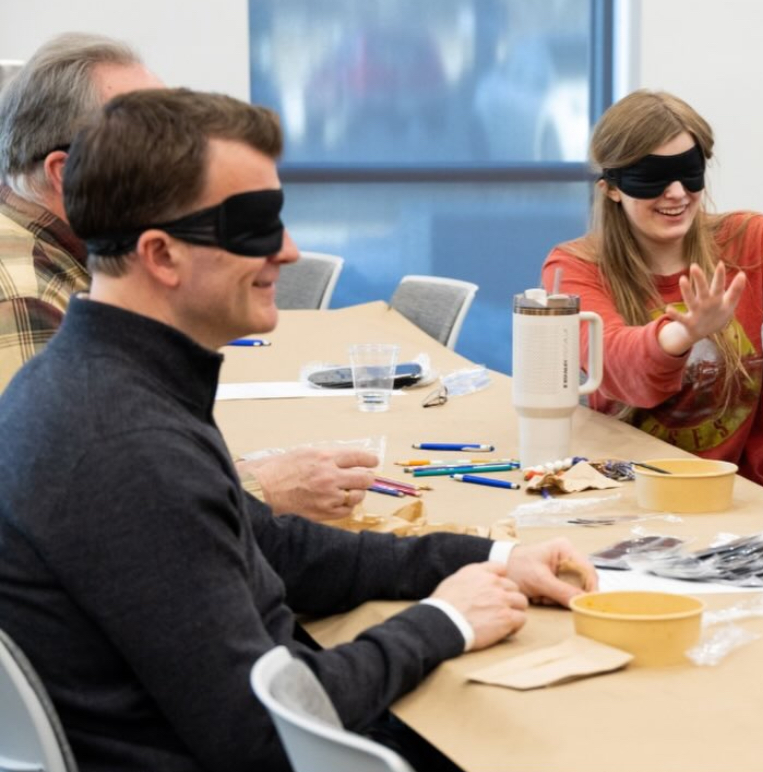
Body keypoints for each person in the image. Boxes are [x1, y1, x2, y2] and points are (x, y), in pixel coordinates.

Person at [0, 87, 599, 770]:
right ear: (161, 256)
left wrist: (488, 560)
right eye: (253, 226)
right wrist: (447, 621)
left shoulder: (100, 382)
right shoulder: (121, 444)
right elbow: (265, 732)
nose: (287, 251)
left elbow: (272, 545)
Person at [0, 32, 376, 521]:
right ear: (66, 174)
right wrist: (259, 487)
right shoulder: (20, 293)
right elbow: (74, 510)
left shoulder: (66, 255)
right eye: (147, 144)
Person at [542, 90, 763, 496]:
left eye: (688, 171)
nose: (676, 193)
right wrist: (685, 333)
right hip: (630, 500)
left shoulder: (750, 241)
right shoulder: (574, 268)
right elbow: (621, 371)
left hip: (748, 500)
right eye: (653, 177)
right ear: (613, 188)